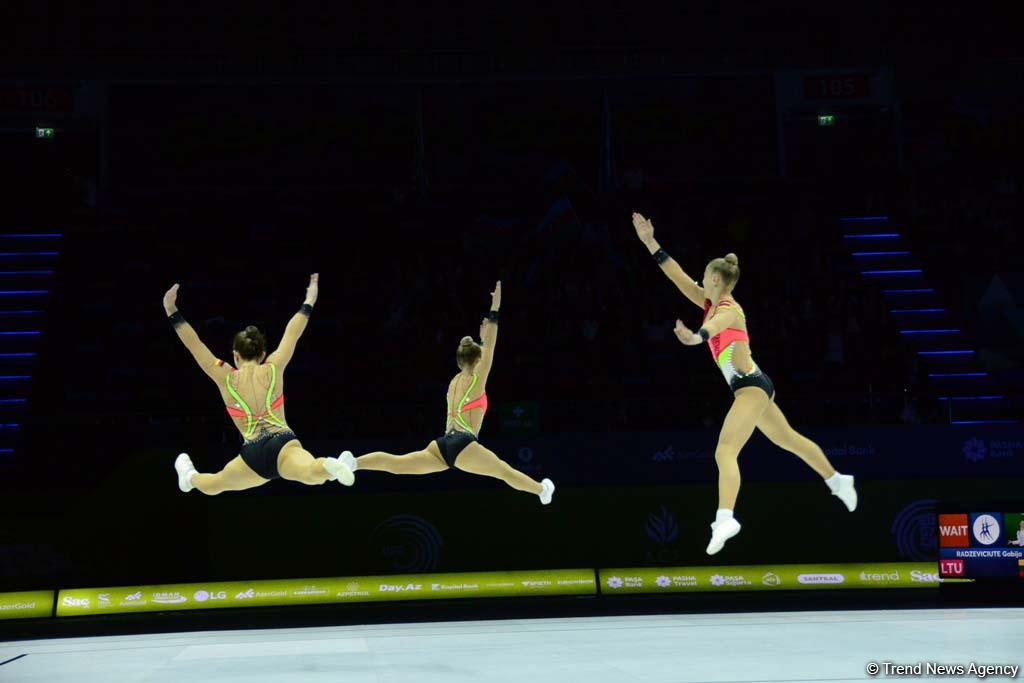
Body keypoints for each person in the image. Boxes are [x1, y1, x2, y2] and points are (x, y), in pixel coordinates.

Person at [632, 212, 857, 554]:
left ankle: (725, 518)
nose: (700, 278)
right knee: (790, 440)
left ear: (717, 280)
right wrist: (651, 242)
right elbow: (677, 277)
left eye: (705, 275)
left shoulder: (729, 310)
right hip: (752, 385)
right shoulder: (709, 302)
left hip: (751, 385)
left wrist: (696, 338)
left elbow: (718, 324)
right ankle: (838, 480)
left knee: (725, 450)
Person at [338, 282, 555, 504]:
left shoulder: (455, 382)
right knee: (504, 471)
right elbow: (489, 347)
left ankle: (353, 462)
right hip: (464, 443)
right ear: (478, 359)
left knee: (398, 464)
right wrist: (494, 309)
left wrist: (481, 338)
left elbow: (480, 351)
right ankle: (542, 490)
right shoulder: (476, 381)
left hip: (442, 445)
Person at [165, 274, 354, 495]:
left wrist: (171, 310)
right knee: (311, 474)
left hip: (252, 452)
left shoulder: (225, 376)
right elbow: (293, 332)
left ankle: (189, 477)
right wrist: (309, 300)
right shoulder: (273, 366)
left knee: (215, 485)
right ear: (263, 354)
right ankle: (328, 467)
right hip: (283, 442)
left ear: (235, 355)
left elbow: (194, 344)